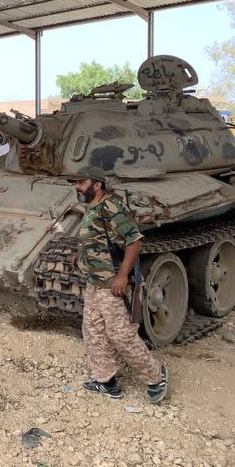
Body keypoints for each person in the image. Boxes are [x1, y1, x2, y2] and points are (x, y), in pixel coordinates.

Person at [67, 165, 168, 403]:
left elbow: (134, 241)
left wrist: (123, 276)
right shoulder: (92, 208)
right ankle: (106, 381)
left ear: (97, 184)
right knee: (93, 332)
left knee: (120, 334)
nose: (76, 187)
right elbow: (96, 239)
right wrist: (79, 255)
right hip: (94, 283)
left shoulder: (111, 207)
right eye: (75, 183)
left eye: (81, 182)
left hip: (110, 282)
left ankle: (156, 376)